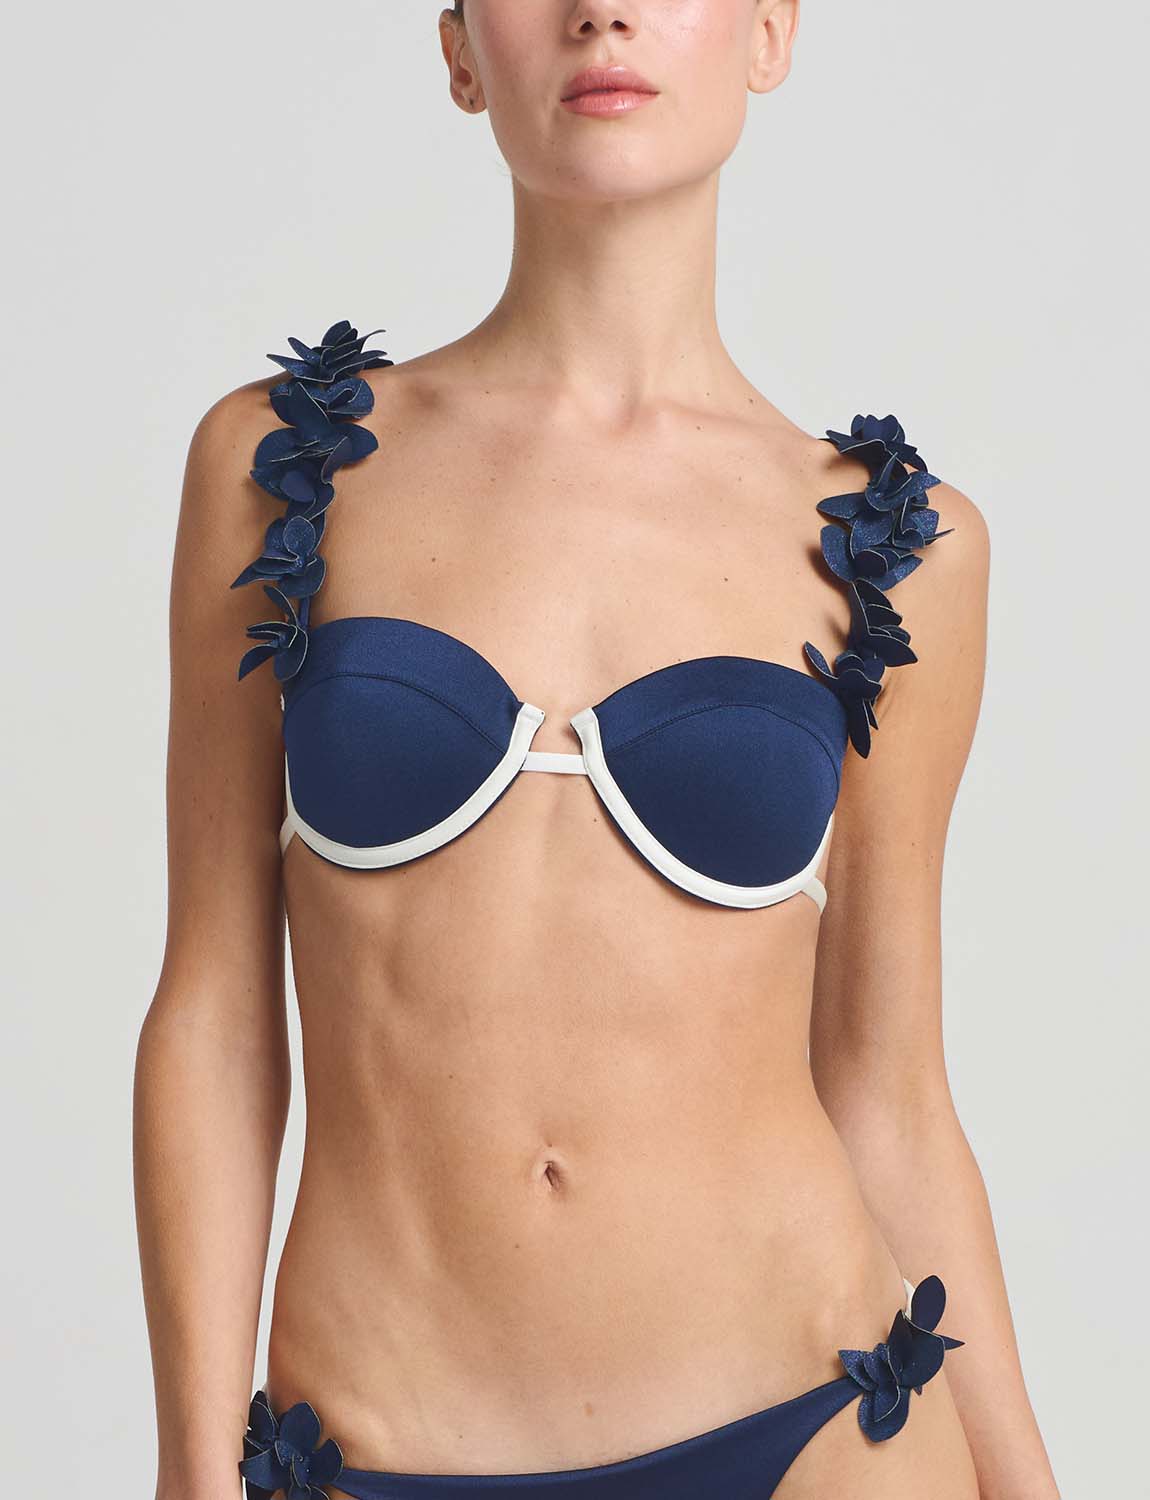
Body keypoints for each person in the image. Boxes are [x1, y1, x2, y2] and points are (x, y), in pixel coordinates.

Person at [134, 2, 1061, 1497]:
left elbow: (885, 1087)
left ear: (768, 34)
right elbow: (215, 1013)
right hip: (381, 1439)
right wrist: (189, 1467)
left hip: (812, 1431)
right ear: (459, 51)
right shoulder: (281, 473)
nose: (602, 11)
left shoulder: (901, 552)